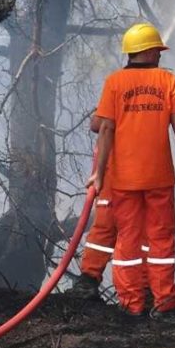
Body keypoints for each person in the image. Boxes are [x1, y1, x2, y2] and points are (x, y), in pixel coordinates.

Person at [88, 23, 175, 318]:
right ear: (149, 51)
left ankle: (131, 304)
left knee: (127, 239)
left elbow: (105, 128)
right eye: (158, 51)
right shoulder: (167, 80)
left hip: (124, 179)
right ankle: (164, 303)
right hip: (159, 177)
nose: (161, 56)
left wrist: (100, 174)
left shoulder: (114, 82)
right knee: (161, 239)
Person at [65, 117, 118, 299]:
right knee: (140, 234)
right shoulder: (160, 92)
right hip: (145, 173)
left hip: (117, 173)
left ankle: (88, 282)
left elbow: (97, 125)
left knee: (105, 227)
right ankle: (145, 290)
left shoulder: (117, 89)